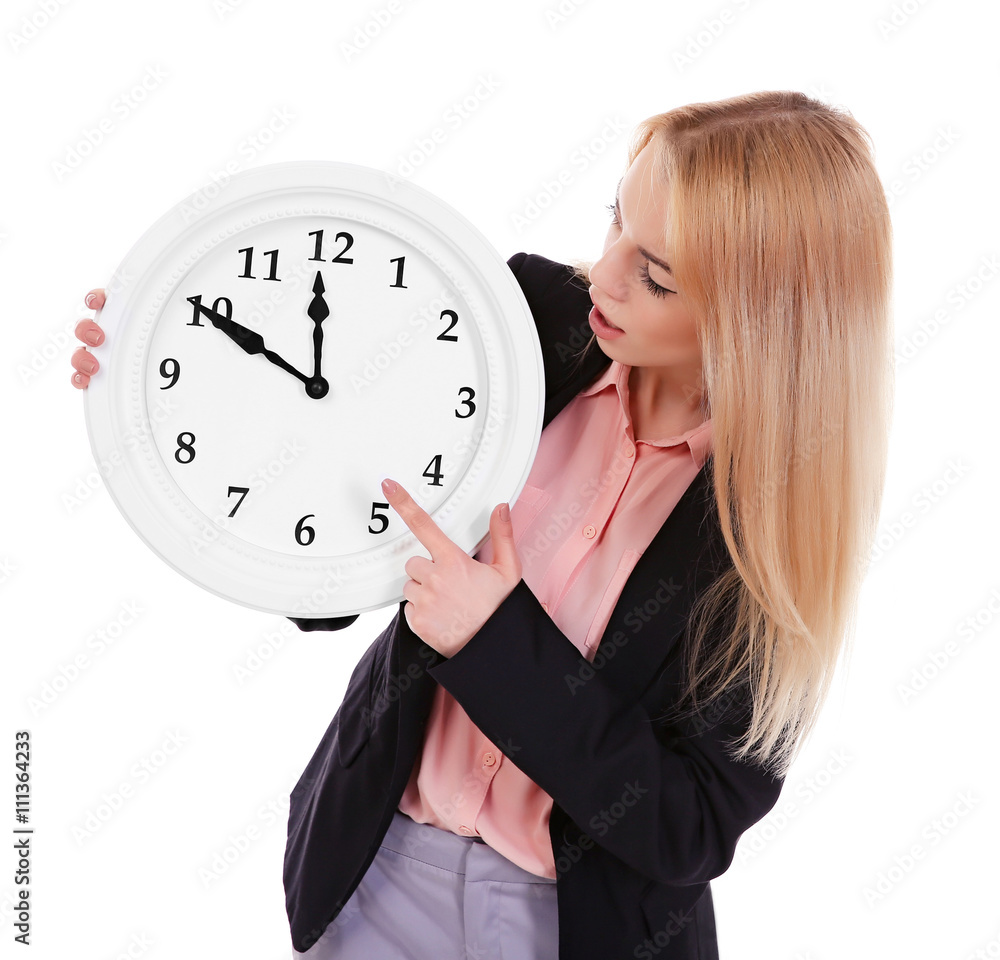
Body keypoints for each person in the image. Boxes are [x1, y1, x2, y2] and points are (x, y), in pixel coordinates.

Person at [71, 90, 894, 960]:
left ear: (763, 323)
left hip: (575, 929)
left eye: (655, 275)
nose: (604, 276)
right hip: (374, 871)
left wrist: (495, 639)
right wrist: (167, 366)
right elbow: (335, 491)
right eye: (614, 220)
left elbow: (686, 827)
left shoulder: (774, 519)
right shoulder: (527, 327)